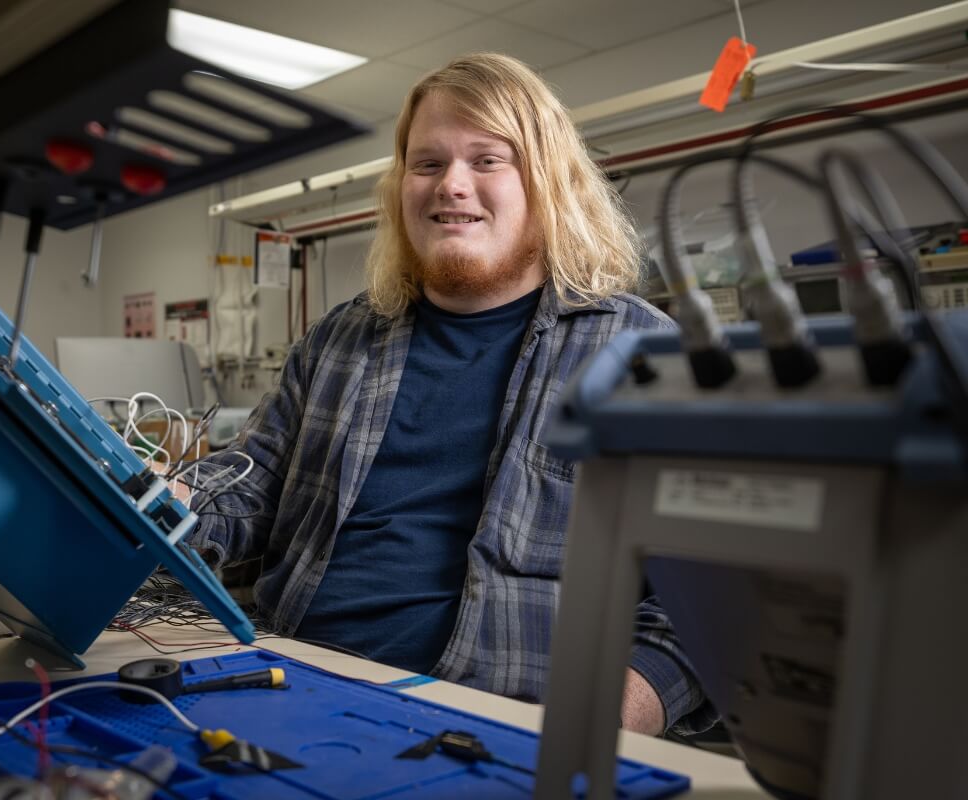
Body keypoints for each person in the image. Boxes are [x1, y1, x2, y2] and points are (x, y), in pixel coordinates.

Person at [183, 53, 714, 735]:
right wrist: (160, 500)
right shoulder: (340, 339)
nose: (451, 186)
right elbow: (245, 483)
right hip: (291, 682)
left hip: (501, 725)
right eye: (427, 164)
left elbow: (713, 597)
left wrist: (593, 728)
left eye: (487, 160)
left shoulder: (644, 355)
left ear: (547, 181)